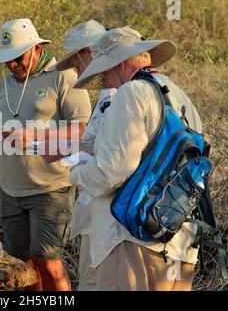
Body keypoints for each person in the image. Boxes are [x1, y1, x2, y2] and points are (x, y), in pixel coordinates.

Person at [70, 27, 203, 291]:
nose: (104, 80)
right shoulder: (177, 94)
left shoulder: (131, 93)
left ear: (120, 64)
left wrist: (75, 173)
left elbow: (113, 171)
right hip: (180, 238)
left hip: (135, 240)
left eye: (105, 71)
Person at [0, 18, 91, 291]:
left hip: (50, 188)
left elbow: (85, 129)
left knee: (49, 261)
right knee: (22, 267)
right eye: (7, 60)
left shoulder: (63, 75)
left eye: (18, 57)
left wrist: (33, 137)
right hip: (10, 190)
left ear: (36, 48)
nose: (12, 64)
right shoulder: (3, 86)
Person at [54, 20, 117, 290]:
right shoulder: (107, 92)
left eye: (76, 63)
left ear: (89, 52)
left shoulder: (119, 93)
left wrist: (71, 153)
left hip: (111, 218)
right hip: (101, 216)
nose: (76, 71)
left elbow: (114, 156)